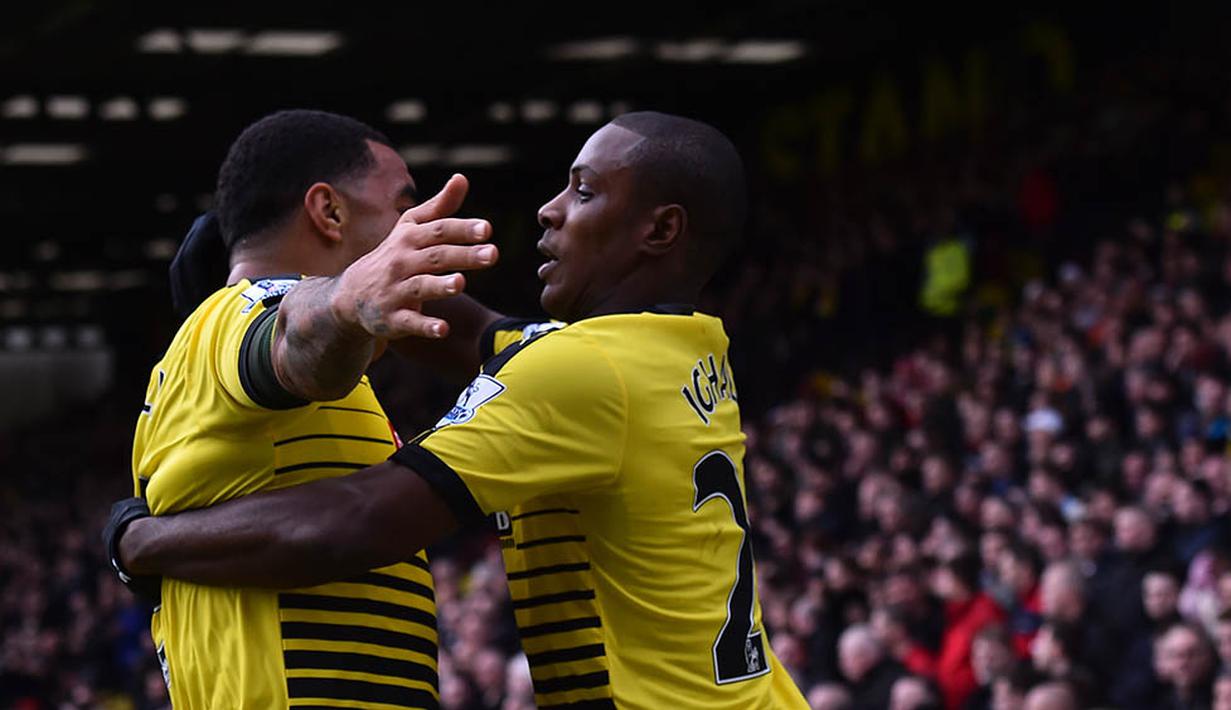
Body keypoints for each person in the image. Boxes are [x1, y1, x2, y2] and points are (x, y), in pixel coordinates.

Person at [110, 111, 809, 708]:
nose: (548, 208)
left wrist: (139, 544)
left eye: (585, 190)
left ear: (659, 231)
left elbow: (354, 522)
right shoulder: (673, 347)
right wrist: (281, 271)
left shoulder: (579, 369)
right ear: (323, 211)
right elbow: (464, 333)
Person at [108, 109, 503, 708]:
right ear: (329, 211)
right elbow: (293, 336)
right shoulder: (235, 315)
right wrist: (347, 298)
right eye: (402, 205)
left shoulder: (319, 368)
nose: (413, 226)